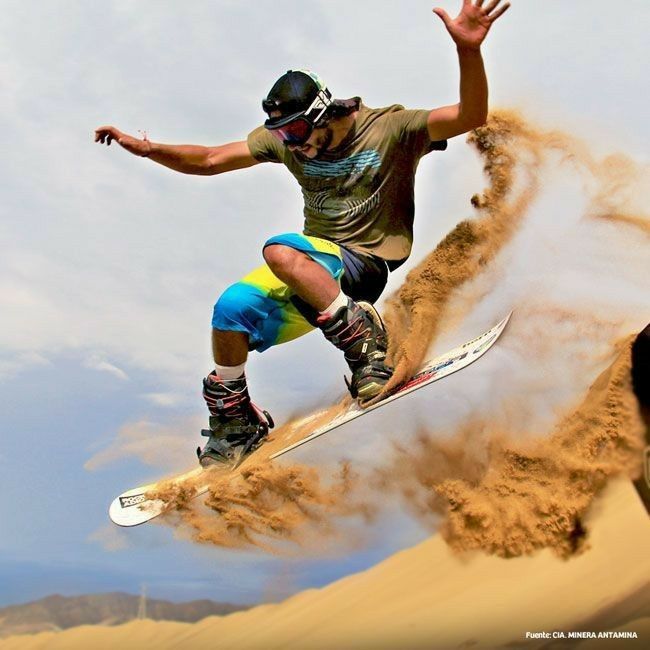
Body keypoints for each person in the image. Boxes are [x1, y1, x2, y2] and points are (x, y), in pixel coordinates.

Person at [95, 0, 510, 467]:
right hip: (314, 280)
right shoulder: (287, 142)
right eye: (281, 134)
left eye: (295, 130)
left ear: (323, 112)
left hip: (362, 265)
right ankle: (236, 421)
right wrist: (149, 149)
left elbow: (470, 116)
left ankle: (365, 342)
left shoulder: (391, 129)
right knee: (230, 309)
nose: (291, 144)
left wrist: (468, 52)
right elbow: (210, 159)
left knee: (280, 249)